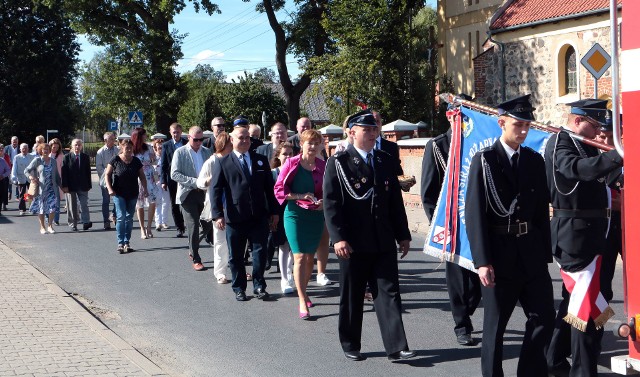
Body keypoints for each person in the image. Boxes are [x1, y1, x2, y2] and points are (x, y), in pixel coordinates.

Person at [465, 95, 556, 377]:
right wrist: (482, 261)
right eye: (519, 124)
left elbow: (541, 210)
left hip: (530, 252)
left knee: (544, 318)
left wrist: (544, 253)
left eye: (528, 125)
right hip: (499, 254)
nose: (525, 131)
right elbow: (475, 214)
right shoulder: (485, 161)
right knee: (495, 327)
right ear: (501, 123)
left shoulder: (533, 160)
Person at [323, 109, 416, 361]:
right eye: (368, 129)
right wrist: (338, 238)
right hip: (353, 242)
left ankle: (396, 346)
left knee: (389, 292)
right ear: (352, 133)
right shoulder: (339, 163)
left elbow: (394, 201)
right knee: (352, 295)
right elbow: (331, 204)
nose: (374, 133)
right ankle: (351, 343)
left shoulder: (385, 159)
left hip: (383, 239)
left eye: (375, 129)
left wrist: (403, 234)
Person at [544, 100, 623, 377]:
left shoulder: (582, 141)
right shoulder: (560, 143)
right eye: (594, 124)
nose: (598, 131)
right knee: (585, 311)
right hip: (574, 236)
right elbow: (578, 170)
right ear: (578, 120)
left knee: (577, 302)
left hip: (593, 234)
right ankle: (583, 370)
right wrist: (619, 153)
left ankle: (553, 357)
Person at [421, 114, 481, 346]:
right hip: (451, 223)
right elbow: (428, 190)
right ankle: (461, 325)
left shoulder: (479, 143)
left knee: (477, 279)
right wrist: (437, 224)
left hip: (476, 222)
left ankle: (467, 309)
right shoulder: (437, 146)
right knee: (457, 278)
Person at [211, 126, 279, 301]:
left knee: (260, 252)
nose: (245, 141)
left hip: (258, 215)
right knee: (236, 255)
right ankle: (239, 287)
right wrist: (218, 214)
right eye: (241, 138)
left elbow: (269, 190)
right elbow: (216, 190)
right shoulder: (223, 162)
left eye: (247, 138)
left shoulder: (261, 160)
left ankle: (259, 285)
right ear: (232, 140)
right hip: (235, 216)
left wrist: (274, 211)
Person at [274, 130, 326, 319]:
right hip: (295, 215)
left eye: (316, 143)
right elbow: (279, 189)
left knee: (310, 258)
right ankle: (302, 299)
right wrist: (299, 196)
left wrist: (323, 202)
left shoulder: (323, 165)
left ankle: (304, 290)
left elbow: (328, 190)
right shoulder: (291, 163)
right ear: (301, 144)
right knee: (300, 257)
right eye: (309, 143)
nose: (313, 147)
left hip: (315, 216)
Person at [171, 126, 213, 271]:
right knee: (193, 226)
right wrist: (195, 182)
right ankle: (196, 257)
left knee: (208, 224)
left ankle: (191, 247)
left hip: (204, 194)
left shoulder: (207, 152)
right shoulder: (180, 152)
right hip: (187, 194)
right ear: (188, 137)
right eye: (196, 139)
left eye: (201, 139)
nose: (199, 142)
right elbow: (174, 174)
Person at [197, 132, 233, 284]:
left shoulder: (234, 160)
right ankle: (220, 272)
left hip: (234, 205)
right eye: (231, 143)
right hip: (218, 206)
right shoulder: (212, 162)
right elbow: (199, 182)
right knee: (220, 241)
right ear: (224, 145)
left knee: (237, 240)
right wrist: (209, 180)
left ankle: (238, 269)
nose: (234, 145)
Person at [104, 139, 148, 254]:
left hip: (133, 193)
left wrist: (145, 189)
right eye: (126, 147)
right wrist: (109, 188)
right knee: (121, 217)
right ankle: (120, 242)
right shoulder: (115, 160)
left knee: (129, 218)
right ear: (121, 147)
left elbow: (142, 176)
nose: (128, 149)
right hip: (118, 193)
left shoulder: (136, 161)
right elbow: (107, 175)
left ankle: (127, 242)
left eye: (130, 147)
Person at [270, 142, 295, 294]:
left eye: (290, 154)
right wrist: (273, 216)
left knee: (294, 248)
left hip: (295, 213)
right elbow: (270, 196)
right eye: (285, 154)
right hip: (279, 214)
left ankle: (291, 274)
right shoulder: (273, 173)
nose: (288, 156)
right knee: (284, 246)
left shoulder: (297, 171)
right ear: (278, 156)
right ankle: (284, 279)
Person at [25, 143, 60, 234]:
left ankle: (50, 226)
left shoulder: (53, 161)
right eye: (44, 149)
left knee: (52, 208)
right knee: (41, 208)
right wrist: (31, 177)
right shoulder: (37, 160)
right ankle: (42, 227)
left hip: (52, 188)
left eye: (48, 149)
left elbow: (56, 175)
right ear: (40, 150)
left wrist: (62, 185)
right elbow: (26, 170)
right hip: (41, 189)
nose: (46, 151)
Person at [161, 123, 188, 238]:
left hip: (186, 177)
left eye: (177, 132)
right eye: (173, 132)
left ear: (181, 132)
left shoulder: (186, 143)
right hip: (172, 179)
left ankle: (189, 224)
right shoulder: (166, 145)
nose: (175, 134)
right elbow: (163, 164)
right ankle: (179, 227)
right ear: (170, 133)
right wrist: (163, 181)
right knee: (174, 204)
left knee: (187, 201)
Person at [131, 128, 158, 239]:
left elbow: (155, 160)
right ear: (138, 136)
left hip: (150, 177)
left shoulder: (149, 148)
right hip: (137, 177)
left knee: (153, 201)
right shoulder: (132, 149)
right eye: (144, 135)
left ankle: (149, 227)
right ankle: (142, 228)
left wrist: (153, 159)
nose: (146, 137)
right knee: (140, 204)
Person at [61, 139, 92, 231]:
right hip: (71, 186)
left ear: (81, 146)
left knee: (84, 204)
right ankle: (73, 224)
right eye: (75, 145)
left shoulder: (85, 157)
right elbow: (64, 173)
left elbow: (88, 172)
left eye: (79, 145)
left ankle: (86, 222)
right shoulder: (67, 157)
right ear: (72, 146)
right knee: (72, 206)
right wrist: (65, 185)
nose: (77, 147)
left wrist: (89, 184)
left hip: (83, 185)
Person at [96, 132, 118, 230]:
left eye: (114, 139)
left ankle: (114, 214)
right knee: (106, 201)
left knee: (117, 199)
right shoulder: (100, 152)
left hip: (117, 177)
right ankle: (106, 221)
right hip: (105, 179)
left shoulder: (118, 150)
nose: (113, 141)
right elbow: (99, 167)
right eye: (111, 139)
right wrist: (107, 175)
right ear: (105, 141)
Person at [372, 111, 404, 176]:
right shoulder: (362, 146)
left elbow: (397, 171)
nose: (375, 125)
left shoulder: (392, 147)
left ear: (381, 124)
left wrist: (404, 183)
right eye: (372, 122)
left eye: (377, 121)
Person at [11, 143, 35, 215]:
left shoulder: (31, 157)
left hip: (30, 177)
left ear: (28, 149)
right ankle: (22, 209)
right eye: (23, 148)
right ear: (20, 149)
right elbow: (14, 167)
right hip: (21, 177)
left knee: (30, 193)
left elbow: (34, 167)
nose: (24, 149)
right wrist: (13, 177)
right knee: (22, 194)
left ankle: (31, 208)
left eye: (26, 148)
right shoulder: (17, 157)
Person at [152, 140, 171, 231]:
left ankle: (164, 222)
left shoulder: (166, 157)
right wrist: (156, 181)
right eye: (159, 147)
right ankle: (158, 223)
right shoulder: (153, 158)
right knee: (158, 203)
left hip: (165, 182)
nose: (161, 149)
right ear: (155, 148)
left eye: (162, 147)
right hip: (156, 182)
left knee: (166, 202)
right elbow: (152, 170)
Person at [49, 138, 65, 226]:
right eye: (53, 147)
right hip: (48, 181)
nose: (55, 149)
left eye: (57, 147)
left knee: (57, 201)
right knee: (48, 200)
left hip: (57, 181)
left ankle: (56, 219)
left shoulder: (61, 156)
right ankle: (49, 218)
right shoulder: (46, 154)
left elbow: (63, 169)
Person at [4, 136, 19, 202]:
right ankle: (9, 192)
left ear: (17, 141)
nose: (14, 143)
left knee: (17, 180)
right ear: (11, 141)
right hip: (9, 165)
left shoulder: (19, 148)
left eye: (15, 141)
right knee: (9, 180)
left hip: (17, 165)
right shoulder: (7, 148)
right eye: (13, 141)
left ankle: (17, 195)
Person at [0, 145, 10, 215]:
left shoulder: (2, 161)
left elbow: (8, 170)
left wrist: (3, 175)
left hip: (1, 180)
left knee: (1, 195)